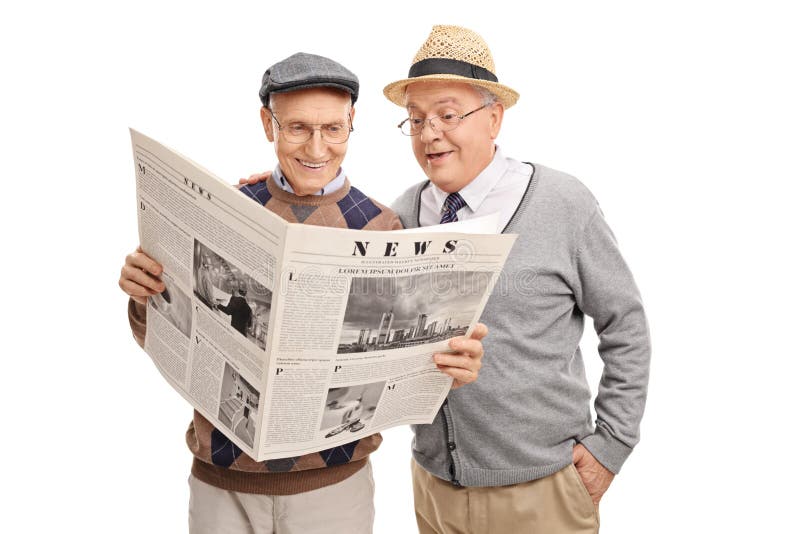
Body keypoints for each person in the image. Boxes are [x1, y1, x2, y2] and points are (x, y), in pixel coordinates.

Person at [239, 24, 652, 533]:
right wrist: (273, 191)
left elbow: (626, 324)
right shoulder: (402, 216)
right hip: (435, 488)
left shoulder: (563, 204)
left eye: (449, 115)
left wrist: (610, 447)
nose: (430, 132)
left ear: (494, 118)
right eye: (416, 120)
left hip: (544, 488)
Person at [119, 51, 487, 534]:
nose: (317, 148)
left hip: (336, 489)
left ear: (352, 123)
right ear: (268, 124)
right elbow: (161, 338)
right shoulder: (222, 209)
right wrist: (143, 294)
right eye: (297, 128)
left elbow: (402, 367)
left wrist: (448, 367)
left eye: (333, 128)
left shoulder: (384, 228)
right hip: (222, 485)